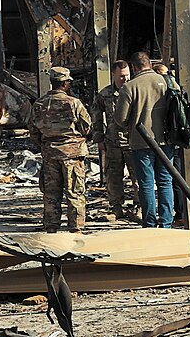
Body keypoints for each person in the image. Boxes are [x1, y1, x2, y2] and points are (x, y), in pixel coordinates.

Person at [31, 66, 93, 233]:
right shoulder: (74, 104)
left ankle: (51, 226)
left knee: (51, 194)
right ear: (65, 84)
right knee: (75, 192)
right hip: (72, 154)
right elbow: (87, 128)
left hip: (50, 155)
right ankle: (76, 227)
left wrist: (46, 145)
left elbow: (33, 132)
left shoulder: (39, 104)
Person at [120, 50, 175, 228]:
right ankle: (167, 222)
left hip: (141, 142)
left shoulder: (130, 87)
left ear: (134, 67)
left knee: (146, 184)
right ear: (150, 64)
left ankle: (150, 223)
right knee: (166, 182)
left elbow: (120, 119)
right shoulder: (167, 82)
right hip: (166, 140)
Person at [94, 60, 136, 225]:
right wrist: (98, 137)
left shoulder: (134, 91)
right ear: (113, 75)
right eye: (121, 76)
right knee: (113, 177)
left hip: (133, 141)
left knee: (137, 177)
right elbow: (96, 116)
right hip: (112, 142)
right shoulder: (105, 94)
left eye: (127, 76)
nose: (124, 79)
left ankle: (138, 206)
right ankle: (116, 207)